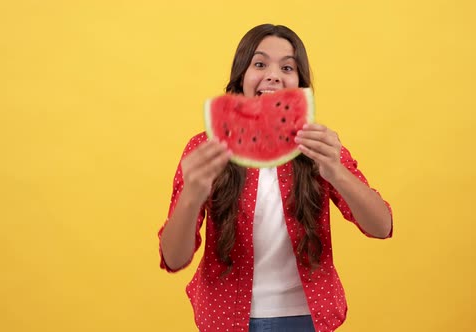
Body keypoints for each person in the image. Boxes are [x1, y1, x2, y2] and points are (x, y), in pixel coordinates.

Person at [158, 23, 393, 332]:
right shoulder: (205, 147)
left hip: (307, 319)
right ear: (241, 76)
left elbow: (382, 226)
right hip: (225, 318)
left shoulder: (320, 145)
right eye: (259, 63)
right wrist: (192, 195)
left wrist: (336, 171)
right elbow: (173, 258)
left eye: (287, 67)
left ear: (300, 85)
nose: (273, 74)